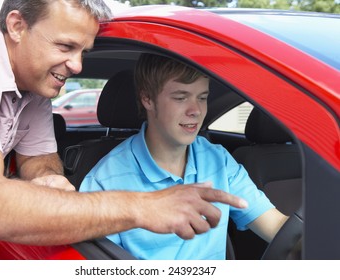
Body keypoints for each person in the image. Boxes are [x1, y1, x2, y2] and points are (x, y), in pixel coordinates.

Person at [0, 0, 247, 260]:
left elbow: (37, 158)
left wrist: (50, 180)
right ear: (16, 26)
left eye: (83, 51)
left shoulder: (36, 81)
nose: (77, 65)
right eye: (66, 46)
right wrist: (142, 207)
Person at [80, 53, 289, 260]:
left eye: (203, 97)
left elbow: (275, 226)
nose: (196, 110)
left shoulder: (218, 160)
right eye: (181, 98)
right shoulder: (103, 181)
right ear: (147, 99)